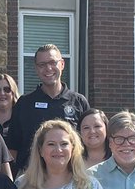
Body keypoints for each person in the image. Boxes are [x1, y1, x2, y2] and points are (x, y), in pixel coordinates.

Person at [8, 44, 90, 172]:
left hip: (70, 177)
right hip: (31, 178)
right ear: (36, 68)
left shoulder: (79, 102)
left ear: (62, 64)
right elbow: (13, 148)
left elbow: (88, 145)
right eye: (42, 64)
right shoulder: (24, 104)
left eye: (53, 62)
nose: (48, 68)